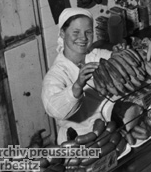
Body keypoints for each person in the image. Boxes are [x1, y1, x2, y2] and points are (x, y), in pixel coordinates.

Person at [41, 7, 114, 144]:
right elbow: (54, 109)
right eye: (76, 32)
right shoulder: (56, 74)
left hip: (109, 132)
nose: (83, 38)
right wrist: (77, 86)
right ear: (62, 33)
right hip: (79, 142)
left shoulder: (96, 55)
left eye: (88, 32)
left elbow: (116, 61)